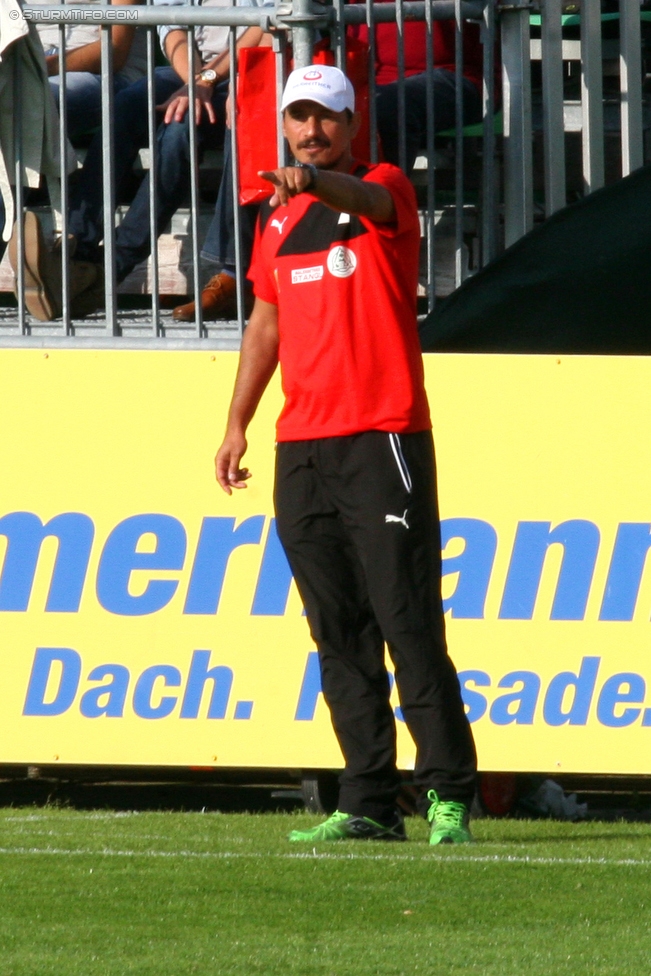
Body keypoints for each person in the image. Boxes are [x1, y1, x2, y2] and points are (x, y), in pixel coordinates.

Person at [215, 64, 477, 844]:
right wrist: (236, 424)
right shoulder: (273, 217)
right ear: (285, 125)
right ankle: (365, 797)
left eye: (325, 118)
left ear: (351, 125)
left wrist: (313, 184)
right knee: (336, 629)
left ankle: (449, 794)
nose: (311, 130)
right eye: (298, 117)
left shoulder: (381, 187)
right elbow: (265, 325)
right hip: (302, 444)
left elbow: (362, 199)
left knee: (407, 619)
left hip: (382, 435)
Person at [174, 7, 485, 323]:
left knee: (389, 107)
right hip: (353, 72)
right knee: (255, 104)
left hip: (448, 74)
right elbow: (291, 9)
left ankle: (366, 250)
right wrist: (235, 79)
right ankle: (236, 269)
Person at [14, 0, 266, 321]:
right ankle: (79, 252)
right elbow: (171, 25)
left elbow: (268, 22)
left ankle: (224, 275)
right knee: (127, 104)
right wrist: (196, 80)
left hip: (252, 68)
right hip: (189, 71)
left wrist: (207, 80)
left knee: (180, 129)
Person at [31, 0, 146, 141]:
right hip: (35, 62)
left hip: (106, 74)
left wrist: (36, 66)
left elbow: (114, 52)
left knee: (28, 99)